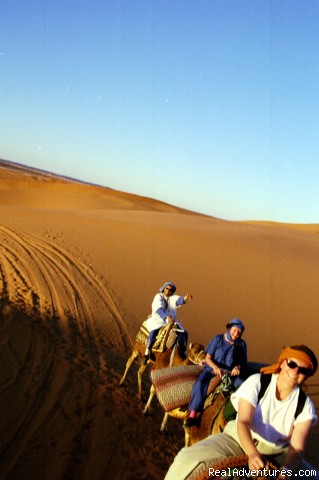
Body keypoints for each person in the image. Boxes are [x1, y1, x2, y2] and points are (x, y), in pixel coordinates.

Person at [164, 344, 318, 480]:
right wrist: (252, 453)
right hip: (238, 440)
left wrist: (287, 471)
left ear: (307, 375)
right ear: (283, 363)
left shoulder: (305, 407)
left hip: (278, 453)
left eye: (303, 369)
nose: (296, 371)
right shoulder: (257, 382)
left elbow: (297, 448)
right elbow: (243, 422)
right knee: (186, 459)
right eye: (292, 364)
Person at [184, 318, 247, 427]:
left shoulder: (241, 344)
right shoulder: (218, 339)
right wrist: (215, 367)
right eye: (235, 330)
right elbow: (208, 357)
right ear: (229, 328)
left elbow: (241, 362)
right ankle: (193, 414)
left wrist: (237, 368)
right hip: (211, 370)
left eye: (239, 332)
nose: (236, 333)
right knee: (200, 384)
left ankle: (242, 417)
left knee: (244, 387)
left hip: (229, 374)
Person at [144, 281, 193, 361]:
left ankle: (181, 352)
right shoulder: (158, 296)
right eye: (167, 288)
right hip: (158, 319)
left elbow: (177, 300)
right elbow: (158, 308)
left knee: (184, 333)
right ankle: (147, 352)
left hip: (171, 321)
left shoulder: (172, 298)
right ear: (164, 288)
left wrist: (185, 298)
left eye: (170, 290)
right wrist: (166, 316)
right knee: (154, 331)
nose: (168, 291)